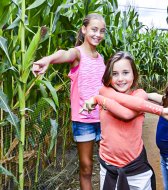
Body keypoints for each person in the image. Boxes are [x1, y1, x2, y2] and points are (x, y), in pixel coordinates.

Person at [81, 51, 168, 190]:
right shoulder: (105, 91)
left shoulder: (140, 95)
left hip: (136, 167)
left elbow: (126, 114)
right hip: (108, 166)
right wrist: (100, 98)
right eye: (115, 73)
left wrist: (98, 99)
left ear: (134, 74)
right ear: (108, 76)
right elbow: (117, 101)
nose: (120, 78)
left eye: (125, 72)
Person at [32, 13, 106, 190]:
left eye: (102, 31)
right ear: (84, 29)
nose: (98, 34)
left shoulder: (101, 58)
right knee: (86, 168)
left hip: (103, 118)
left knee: (108, 167)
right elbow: (64, 53)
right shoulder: (78, 54)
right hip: (84, 121)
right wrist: (48, 59)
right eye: (94, 30)